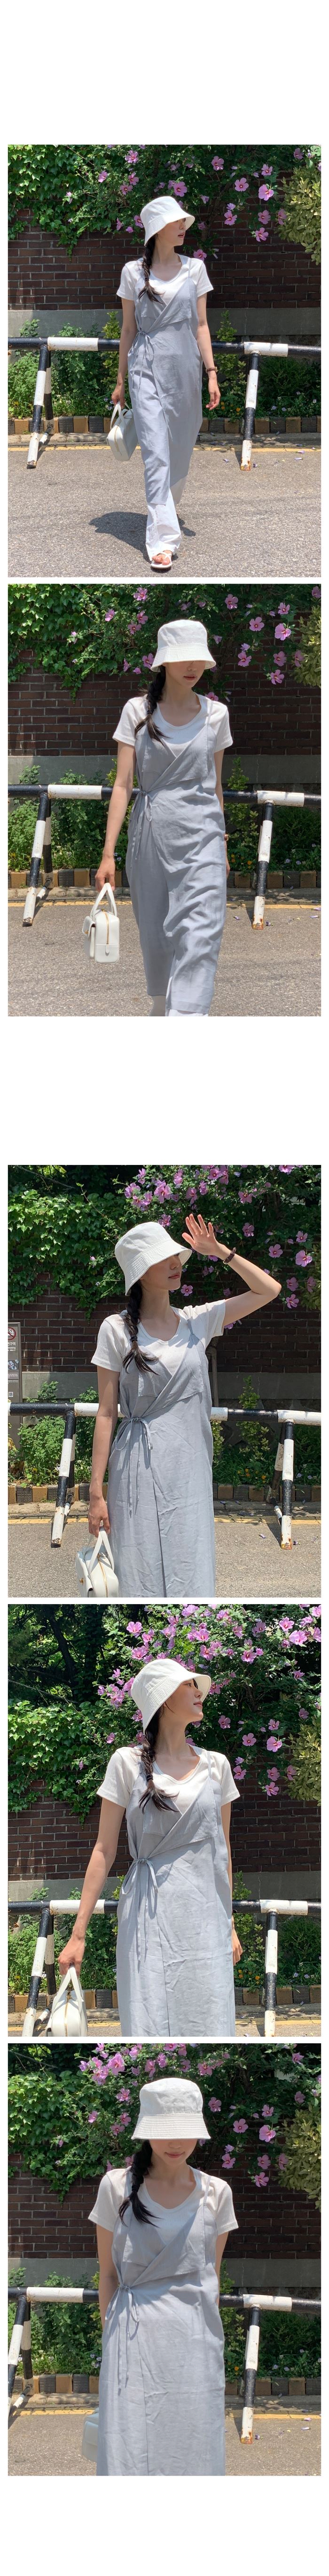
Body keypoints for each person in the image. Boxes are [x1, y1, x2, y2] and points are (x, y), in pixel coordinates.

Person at [87, 1214, 282, 1595]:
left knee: (190, 1563)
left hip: (189, 1466)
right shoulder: (115, 1329)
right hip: (137, 1468)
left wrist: (221, 1251)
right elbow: (107, 1414)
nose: (176, 1263)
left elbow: (269, 1290)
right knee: (138, 1564)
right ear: (141, 1272)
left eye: (176, 1255)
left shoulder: (197, 1321)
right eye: (164, 1258)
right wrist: (96, 1493)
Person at [58, 1656, 243, 2038]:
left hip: (205, 1919)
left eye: (197, 1684)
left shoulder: (217, 1766)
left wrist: (229, 1924)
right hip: (147, 1915)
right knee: (149, 2017)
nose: (199, 1691)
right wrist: (78, 1934)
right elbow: (104, 1850)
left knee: (210, 2017)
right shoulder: (126, 1763)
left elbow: (221, 1851)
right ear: (163, 1698)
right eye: (188, 1684)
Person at [89, 2076, 238, 2476]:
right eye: (165, 2129)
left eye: (186, 2130)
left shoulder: (217, 2193)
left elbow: (211, 2277)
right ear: (146, 2129)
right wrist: (112, 2334)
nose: (177, 2142)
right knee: (128, 2447)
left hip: (194, 2342)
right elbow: (108, 2274)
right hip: (131, 2339)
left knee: (194, 2445)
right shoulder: (116, 2187)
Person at [95, 619, 231, 1018]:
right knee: (156, 936)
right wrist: (108, 854)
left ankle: (185, 1018)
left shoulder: (216, 714)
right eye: (183, 658)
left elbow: (215, 786)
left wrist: (222, 844)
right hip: (152, 836)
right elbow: (123, 785)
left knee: (202, 933)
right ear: (164, 662)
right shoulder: (137, 712)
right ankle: (162, 1007)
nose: (193, 667)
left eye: (199, 659)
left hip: (204, 837)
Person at [111, 196, 220, 566]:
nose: (183, 227)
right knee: (156, 453)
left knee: (180, 449)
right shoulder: (132, 273)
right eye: (177, 222)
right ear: (157, 229)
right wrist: (121, 379)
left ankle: (165, 512)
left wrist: (212, 374)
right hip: (145, 367)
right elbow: (128, 329)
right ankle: (162, 540)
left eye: (183, 221)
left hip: (185, 369)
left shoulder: (195, 269)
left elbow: (201, 326)